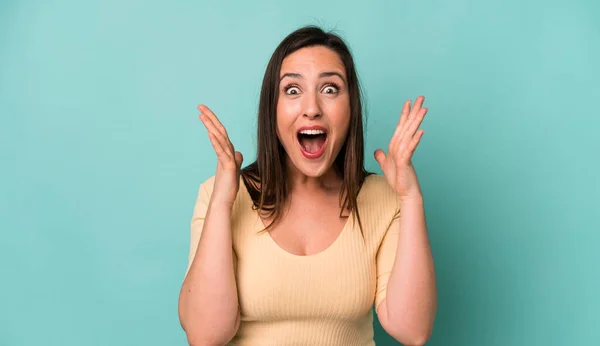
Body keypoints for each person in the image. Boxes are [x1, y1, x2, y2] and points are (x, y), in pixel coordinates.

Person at [178, 25, 437, 346]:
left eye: (330, 89)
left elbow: (412, 330)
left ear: (351, 107)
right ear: (271, 109)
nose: (312, 107)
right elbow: (205, 335)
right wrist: (221, 205)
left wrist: (410, 199)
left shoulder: (384, 198)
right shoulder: (219, 195)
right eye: (292, 90)